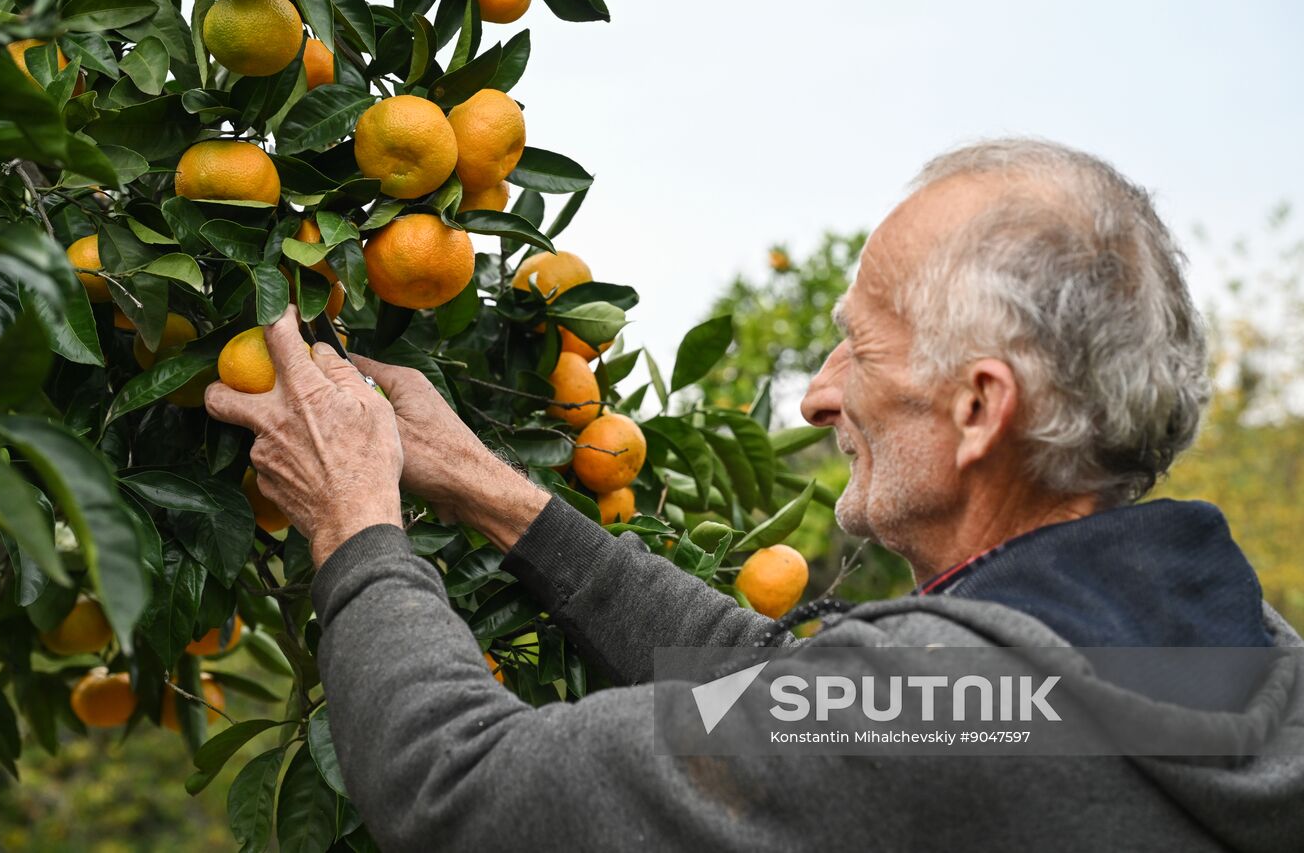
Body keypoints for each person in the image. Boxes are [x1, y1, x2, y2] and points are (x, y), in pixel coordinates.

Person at [206, 139, 1304, 852]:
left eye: (854, 350)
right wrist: (496, 494)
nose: (818, 396)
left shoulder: (938, 708)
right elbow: (782, 692)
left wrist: (352, 517)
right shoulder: (1241, 662)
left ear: (978, 408)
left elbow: (463, 790)